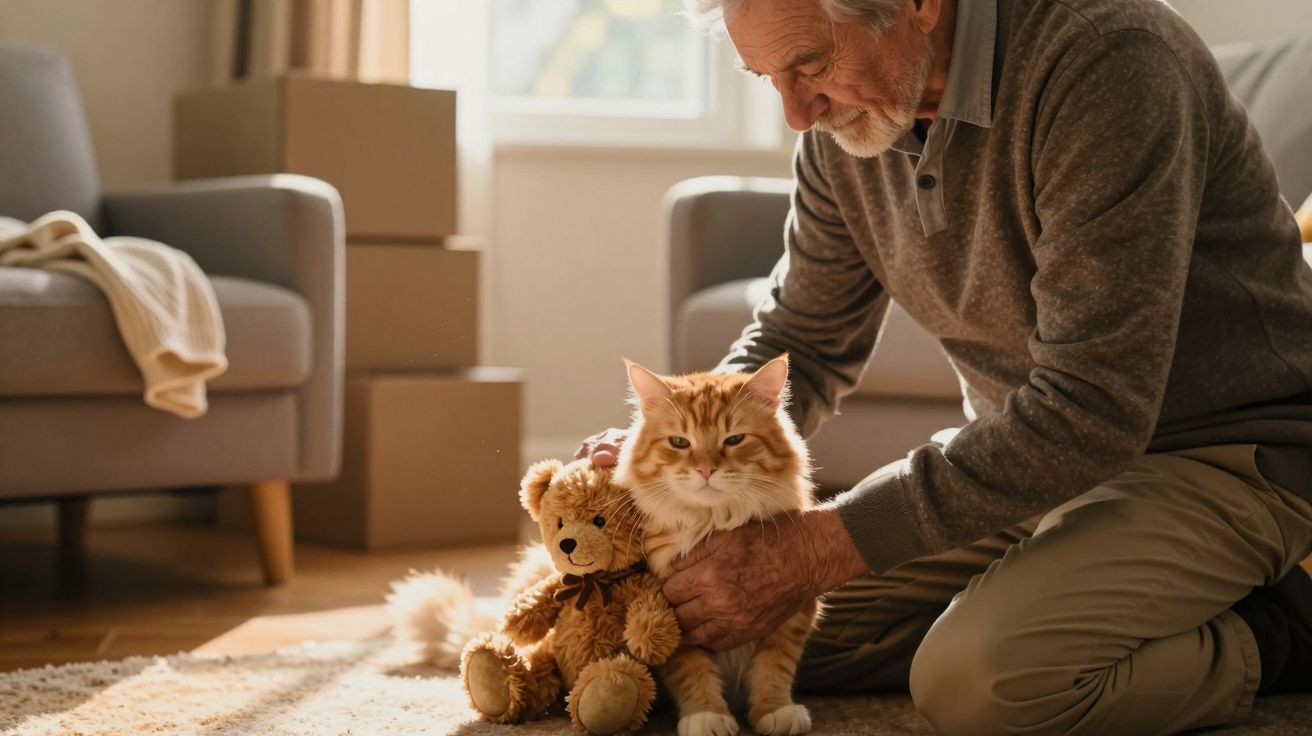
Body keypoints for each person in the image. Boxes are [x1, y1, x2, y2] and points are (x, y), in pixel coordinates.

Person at [577, 0, 1312, 733]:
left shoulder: (1108, 61)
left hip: (1224, 456)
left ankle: (1283, 630)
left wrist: (817, 546)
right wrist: (670, 440)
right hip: (1023, 471)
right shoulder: (844, 127)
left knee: (980, 683)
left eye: (811, 64)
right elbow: (804, 334)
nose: (797, 115)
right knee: (722, 627)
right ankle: (1090, 597)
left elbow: (1091, 405)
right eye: (767, 77)